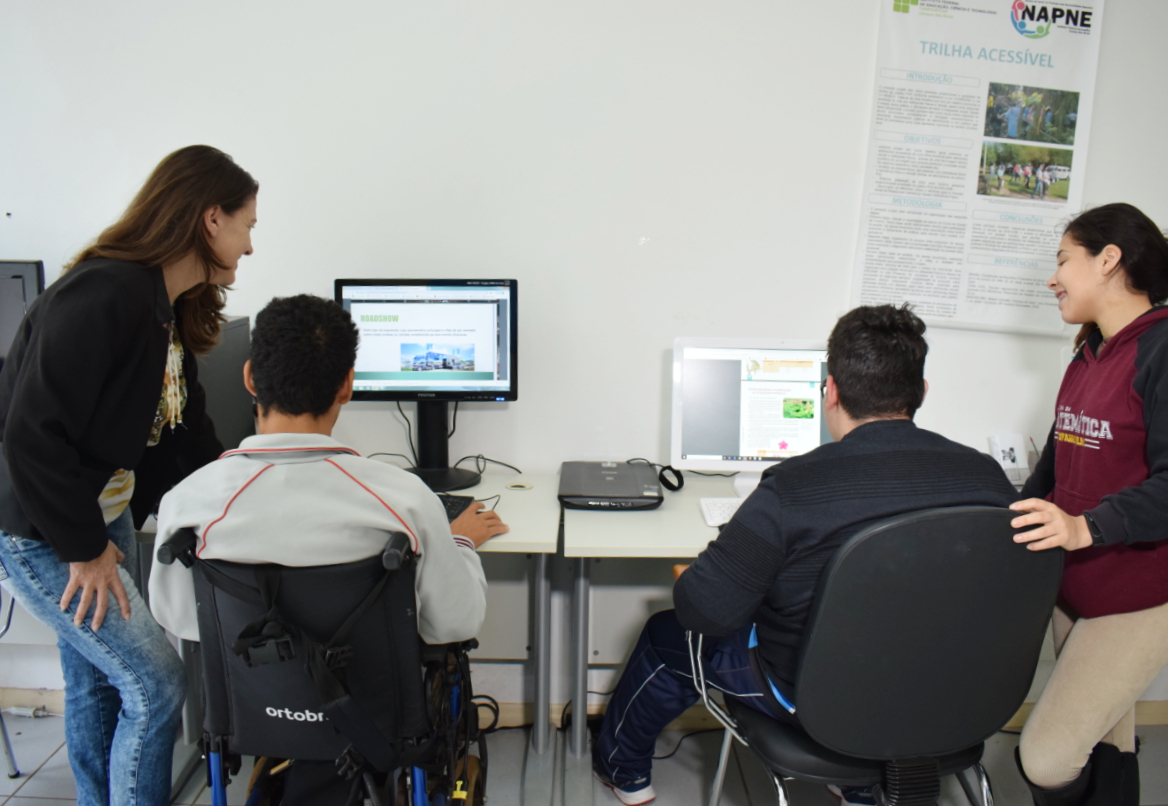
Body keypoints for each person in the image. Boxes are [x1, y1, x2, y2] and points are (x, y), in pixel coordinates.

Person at [591, 304, 1019, 806]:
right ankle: (861, 788)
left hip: (818, 702)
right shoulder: (988, 477)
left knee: (667, 633)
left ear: (830, 390)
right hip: (951, 700)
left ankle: (622, 771)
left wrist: (714, 577)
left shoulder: (793, 487)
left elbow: (705, 613)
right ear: (922, 392)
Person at [148, 294, 508, 800]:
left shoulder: (188, 502)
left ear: (250, 378)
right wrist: (460, 541)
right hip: (375, 719)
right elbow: (455, 622)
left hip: (254, 716)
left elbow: (181, 620)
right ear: (347, 385)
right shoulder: (403, 500)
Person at [0, 145, 258, 806]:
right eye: (247, 225)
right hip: (47, 528)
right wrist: (85, 551)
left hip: (103, 512)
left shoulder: (166, 307)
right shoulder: (103, 293)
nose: (250, 245)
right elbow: (31, 432)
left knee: (96, 683)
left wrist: (248, 491)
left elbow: (186, 430)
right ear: (211, 219)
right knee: (157, 683)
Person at [1011, 203, 1168, 806]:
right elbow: (1052, 470)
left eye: (1062, 261)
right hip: (1076, 585)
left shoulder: (1160, 350)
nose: (1052, 279)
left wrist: (1085, 528)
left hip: (1139, 593)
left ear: (1108, 260)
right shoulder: (1088, 354)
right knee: (1106, 742)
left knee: (1047, 758)